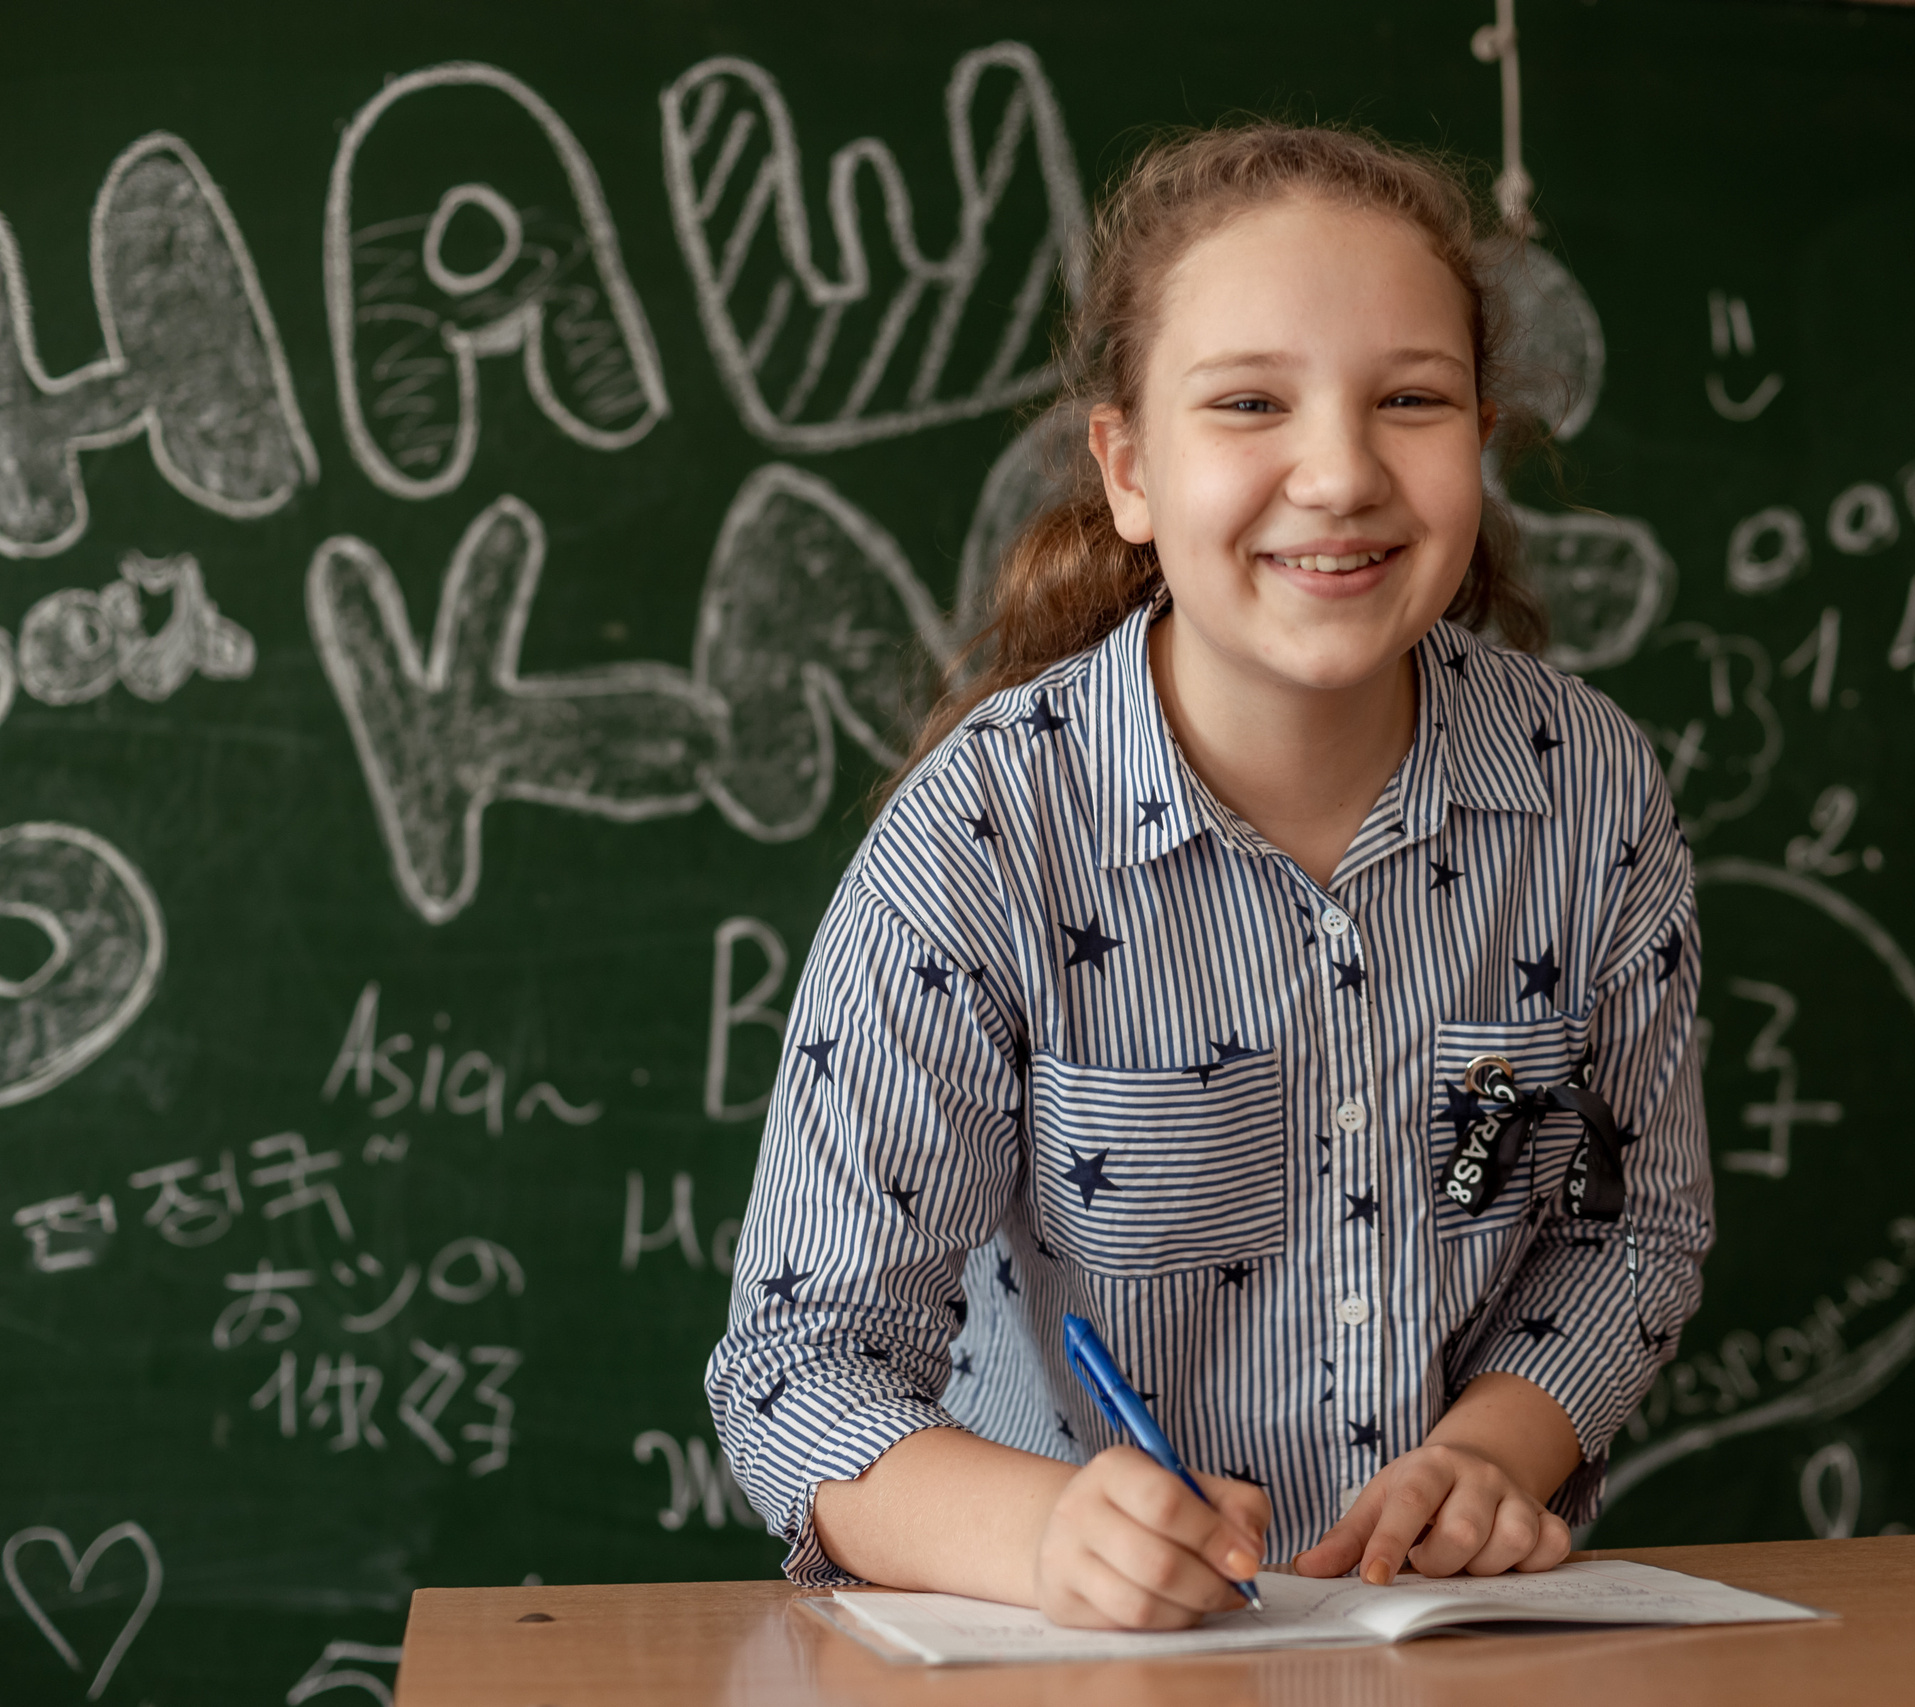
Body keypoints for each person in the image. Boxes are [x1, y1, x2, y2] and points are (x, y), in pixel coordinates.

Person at [706, 121, 1710, 1632]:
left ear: (1480, 441)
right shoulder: (986, 837)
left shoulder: (1590, 799)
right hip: (1075, 1661)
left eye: (1412, 402)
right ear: (1128, 468)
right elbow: (800, 1366)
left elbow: (1625, 1225)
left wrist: (1492, 1458)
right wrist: (1047, 1535)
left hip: (1452, 1656)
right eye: (1250, 402)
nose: (1339, 470)